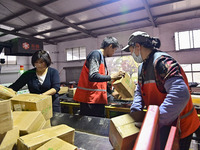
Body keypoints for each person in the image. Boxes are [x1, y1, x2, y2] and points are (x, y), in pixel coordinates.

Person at [122, 31, 200, 150]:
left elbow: (180, 93)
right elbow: (139, 89)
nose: (131, 53)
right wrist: (135, 112)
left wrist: (153, 123)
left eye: (131, 50)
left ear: (137, 46)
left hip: (180, 126)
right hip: (163, 124)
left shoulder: (162, 62)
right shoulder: (142, 67)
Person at [73, 36, 125, 117]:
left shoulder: (102, 58)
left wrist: (111, 92)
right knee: (92, 126)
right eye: (114, 50)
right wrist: (111, 77)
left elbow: (101, 82)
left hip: (96, 99)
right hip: (90, 100)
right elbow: (93, 76)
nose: (114, 52)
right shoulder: (96, 54)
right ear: (110, 46)